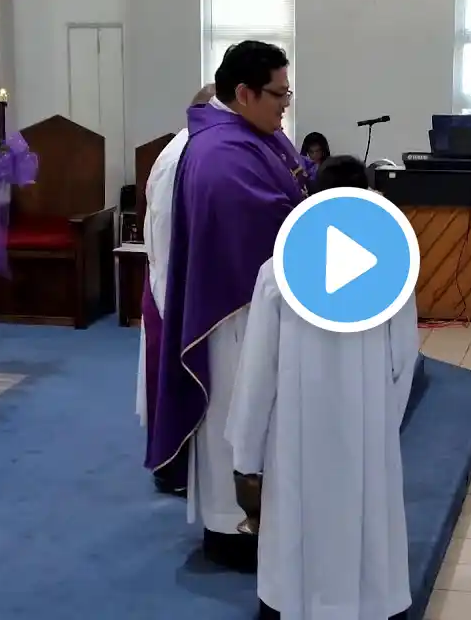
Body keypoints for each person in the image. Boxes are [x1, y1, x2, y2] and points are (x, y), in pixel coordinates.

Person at [226, 154, 418, 620]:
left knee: (298, 536)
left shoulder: (279, 271)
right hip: (366, 431)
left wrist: (247, 454)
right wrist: (383, 423)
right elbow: (404, 360)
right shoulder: (390, 269)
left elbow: (257, 371)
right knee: (367, 533)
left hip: (299, 433)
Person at [149, 40, 309, 572]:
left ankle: (262, 519)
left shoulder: (249, 133)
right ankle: (232, 526)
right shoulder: (220, 153)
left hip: (254, 306)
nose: (285, 104)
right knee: (236, 418)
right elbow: (263, 225)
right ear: (244, 94)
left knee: (255, 417)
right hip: (233, 312)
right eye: (278, 94)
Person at [136, 84, 216, 497]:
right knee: (181, 377)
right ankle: (176, 466)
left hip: (174, 281)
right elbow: (170, 229)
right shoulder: (186, 154)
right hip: (175, 287)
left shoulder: (192, 147)